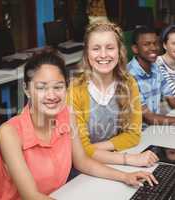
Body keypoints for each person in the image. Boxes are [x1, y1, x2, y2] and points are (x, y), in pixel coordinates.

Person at [0, 51, 157, 200]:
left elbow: (82, 162)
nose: (51, 95)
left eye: (58, 87)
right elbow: (31, 196)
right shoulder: (9, 133)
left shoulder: (67, 115)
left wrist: (125, 177)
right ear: (26, 90)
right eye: (41, 88)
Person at [67, 21, 158, 167]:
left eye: (110, 48)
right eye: (96, 49)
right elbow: (78, 152)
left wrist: (89, 149)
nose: (103, 55)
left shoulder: (129, 83)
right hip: (82, 168)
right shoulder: (75, 89)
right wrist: (128, 159)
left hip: (111, 159)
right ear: (86, 53)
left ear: (119, 51)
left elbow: (133, 135)